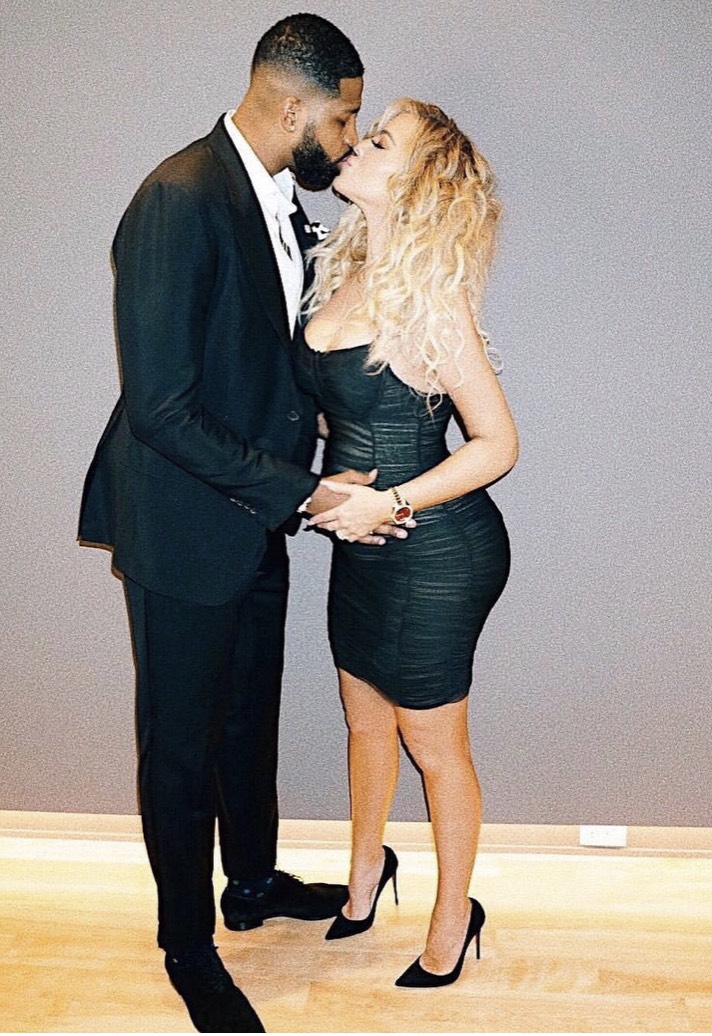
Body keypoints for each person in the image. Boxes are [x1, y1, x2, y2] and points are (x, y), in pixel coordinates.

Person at [78, 15, 405, 1033]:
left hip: (254, 517)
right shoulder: (179, 199)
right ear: (292, 105)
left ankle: (251, 884)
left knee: (246, 715)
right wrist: (307, 496)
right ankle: (187, 947)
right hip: (183, 525)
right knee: (180, 747)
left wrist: (323, 466)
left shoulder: (274, 200)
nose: (346, 141)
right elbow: (162, 409)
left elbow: (262, 368)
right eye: (343, 119)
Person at [297, 98, 519, 988]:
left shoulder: (433, 298)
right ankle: (364, 879)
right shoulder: (346, 273)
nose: (356, 143)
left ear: (417, 182)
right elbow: (347, 412)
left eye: (381, 140)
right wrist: (333, 477)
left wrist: (386, 495)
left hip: (438, 555)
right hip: (365, 543)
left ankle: (454, 917)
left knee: (435, 747)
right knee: (362, 721)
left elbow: (497, 444)